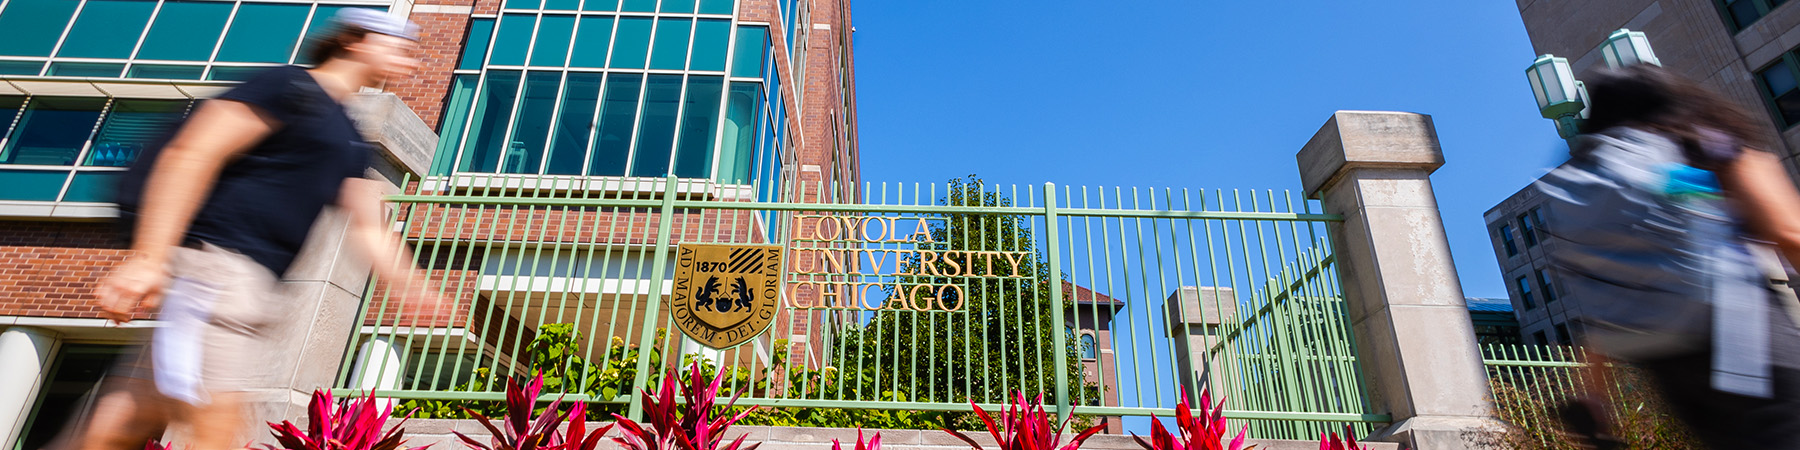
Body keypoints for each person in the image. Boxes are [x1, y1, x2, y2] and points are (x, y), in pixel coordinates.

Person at [58, 9, 442, 450]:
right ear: (355, 40)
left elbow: (367, 226)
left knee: (126, 419)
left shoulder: (348, 134)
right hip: (214, 272)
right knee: (217, 425)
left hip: (248, 286)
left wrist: (413, 288)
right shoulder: (286, 87)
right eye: (397, 45)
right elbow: (191, 154)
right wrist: (147, 258)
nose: (409, 60)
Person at [1542, 64, 1800, 449]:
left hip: (1672, 370)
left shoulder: (1589, 181)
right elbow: (1787, 232)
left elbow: (1602, 304)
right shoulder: (1695, 148)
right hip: (1748, 343)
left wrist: (1593, 395)